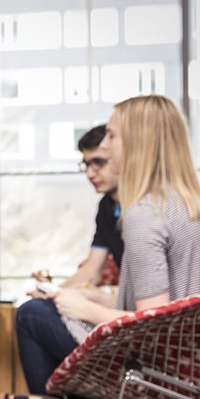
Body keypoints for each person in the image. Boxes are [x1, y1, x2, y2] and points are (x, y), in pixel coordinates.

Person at [16, 94, 200, 398]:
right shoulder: (189, 204)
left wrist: (85, 308)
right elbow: (171, 303)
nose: (107, 144)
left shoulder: (144, 214)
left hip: (162, 370)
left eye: (112, 135)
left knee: (31, 314)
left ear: (137, 142)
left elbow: (151, 322)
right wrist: (98, 297)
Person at [29, 124, 123, 297]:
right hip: (121, 298)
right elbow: (92, 270)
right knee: (35, 307)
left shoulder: (144, 208)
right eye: (86, 164)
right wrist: (54, 291)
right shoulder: (106, 206)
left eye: (99, 163)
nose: (90, 174)